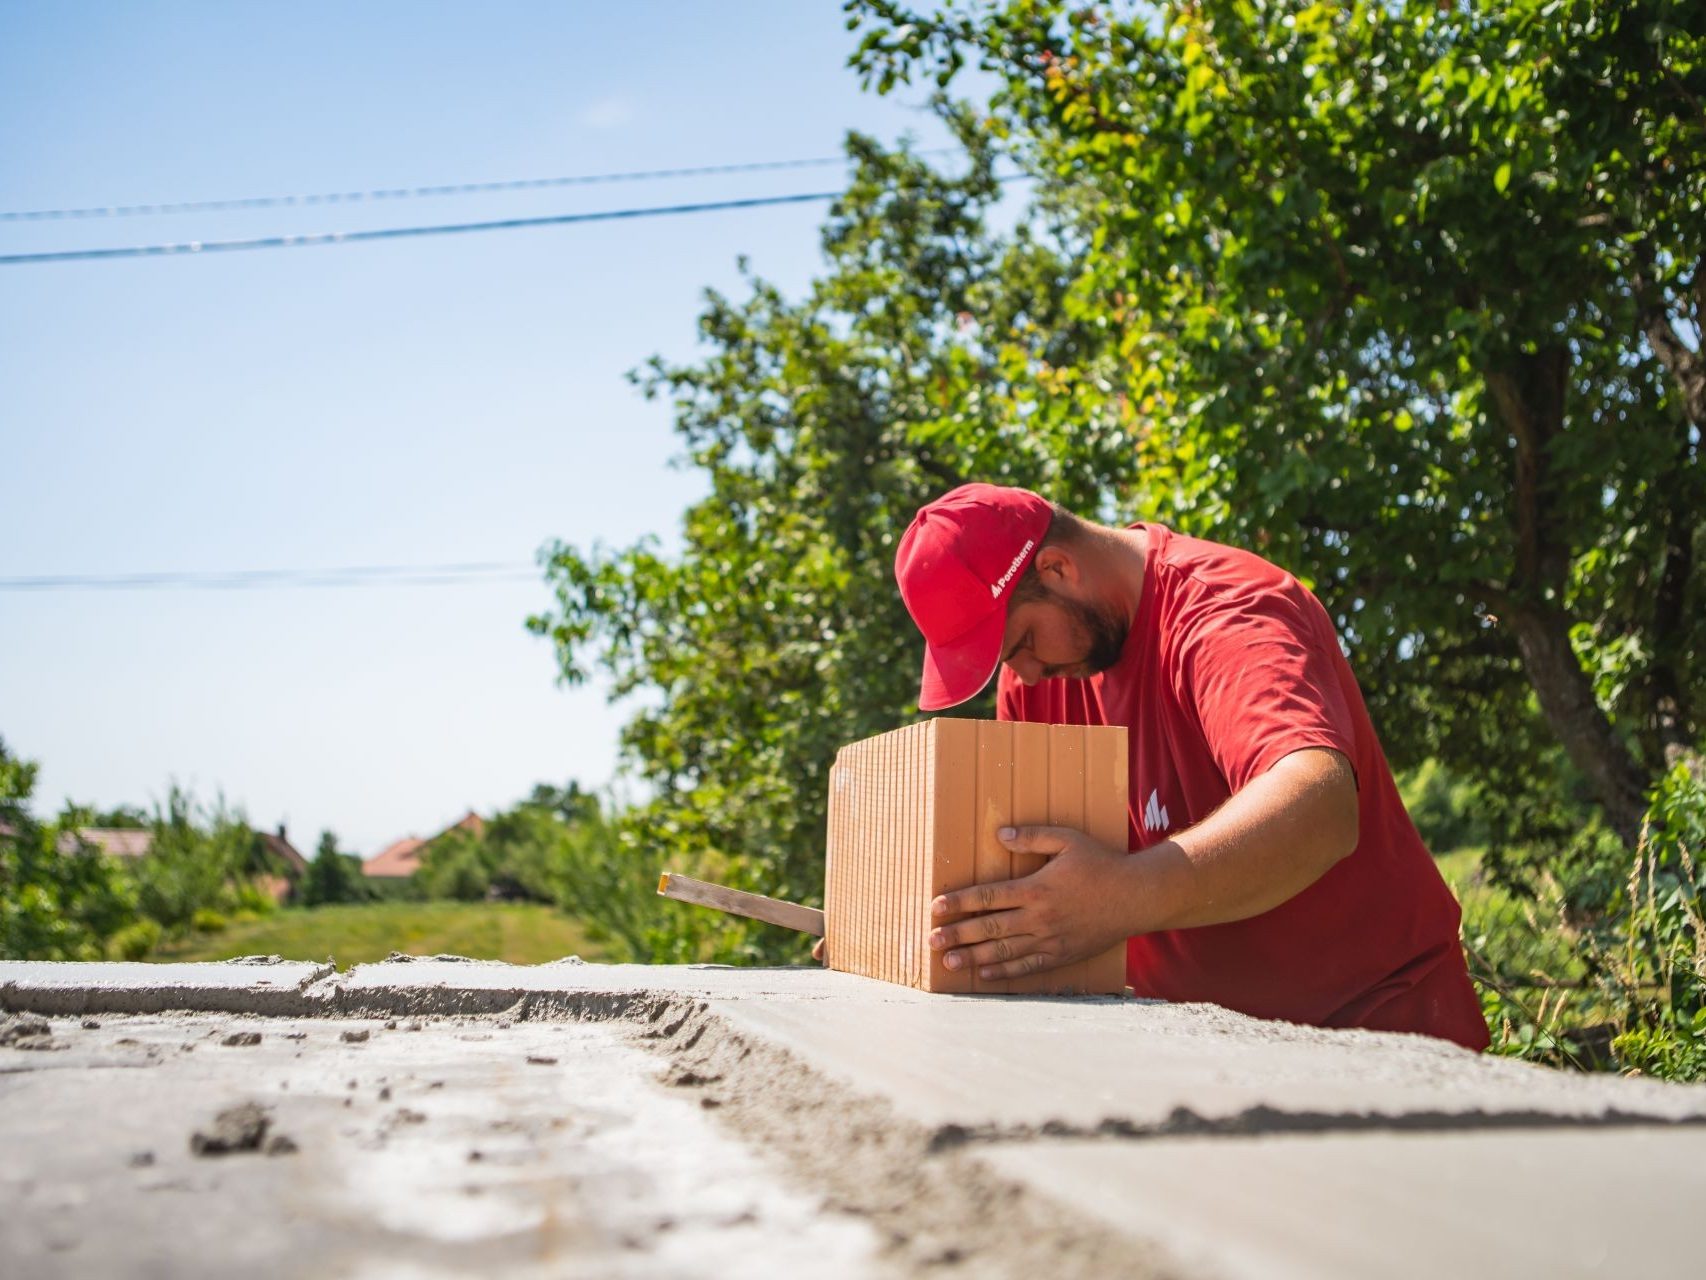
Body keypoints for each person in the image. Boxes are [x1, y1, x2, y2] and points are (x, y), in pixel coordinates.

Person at [888, 481, 1489, 1050]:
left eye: (1019, 644)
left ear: (1057, 569)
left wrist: (1121, 897)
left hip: (1374, 1033)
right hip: (1194, 1050)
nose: (1026, 676)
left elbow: (1321, 807)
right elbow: (1034, 884)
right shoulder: (1040, 677)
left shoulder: (1226, 612)